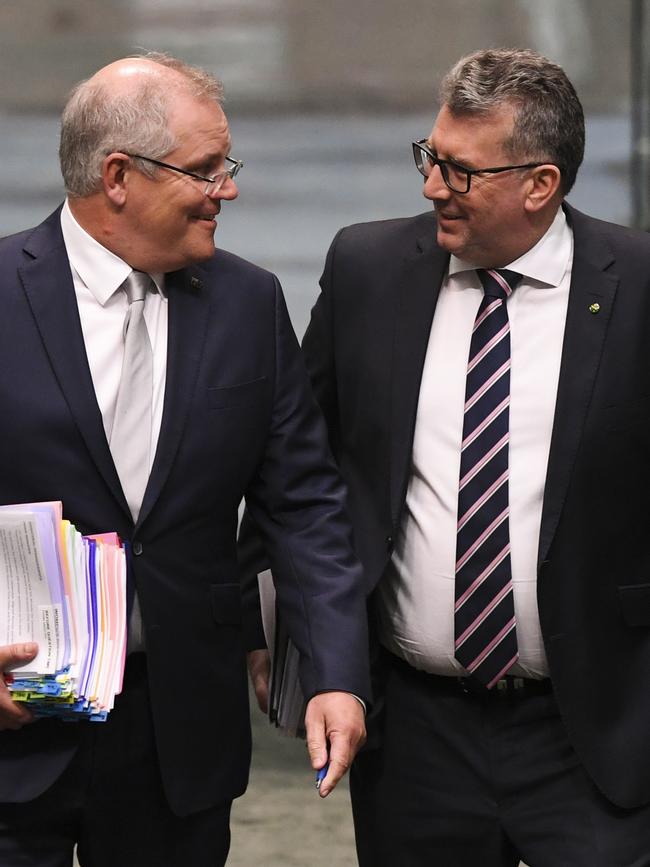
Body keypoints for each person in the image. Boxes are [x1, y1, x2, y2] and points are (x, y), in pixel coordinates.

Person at [242, 47, 650, 865]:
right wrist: (267, 625)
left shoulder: (638, 286)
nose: (431, 186)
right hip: (416, 734)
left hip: (594, 724)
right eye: (430, 158)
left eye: (459, 172)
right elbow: (299, 460)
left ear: (541, 184)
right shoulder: (368, 270)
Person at [0, 52, 369, 867]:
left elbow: (304, 504)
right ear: (119, 175)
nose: (226, 189)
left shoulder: (248, 303)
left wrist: (336, 672)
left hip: (179, 737)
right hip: (15, 723)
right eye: (205, 170)